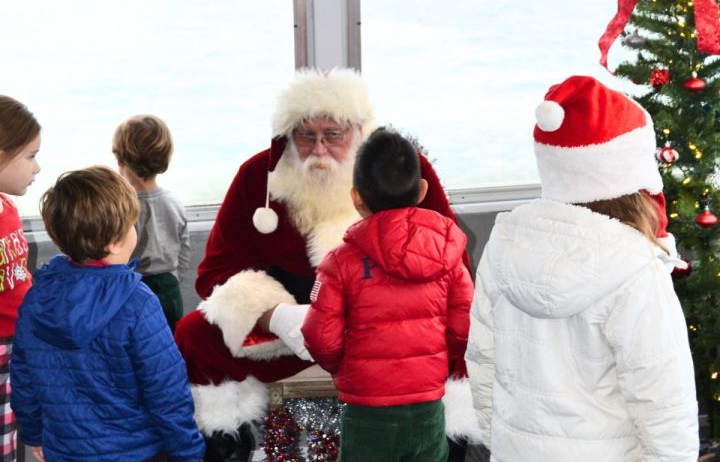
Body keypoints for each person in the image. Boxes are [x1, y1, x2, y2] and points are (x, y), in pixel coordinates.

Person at [174, 68, 480, 461]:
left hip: (390, 322)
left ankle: (452, 441)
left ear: (358, 131)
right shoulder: (259, 177)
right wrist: (275, 315)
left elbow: (452, 261)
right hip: (283, 327)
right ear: (288, 135)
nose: (319, 150)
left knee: (465, 334)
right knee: (194, 334)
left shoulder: (398, 166)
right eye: (306, 136)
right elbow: (214, 273)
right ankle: (227, 442)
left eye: (333, 135)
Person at [465, 75, 699, 461]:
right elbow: (662, 401)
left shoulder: (506, 244)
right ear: (634, 174)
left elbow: (483, 360)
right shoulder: (636, 268)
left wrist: (504, 441)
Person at [301, 128, 474, 462]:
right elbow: (464, 328)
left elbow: (319, 337)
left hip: (367, 409)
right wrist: (434, 359)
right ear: (422, 189)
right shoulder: (448, 257)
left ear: (356, 198)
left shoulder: (339, 263)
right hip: (427, 405)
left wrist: (346, 367)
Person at [10, 166, 205, 462]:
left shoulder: (38, 297)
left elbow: (24, 376)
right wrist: (188, 451)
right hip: (137, 452)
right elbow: (166, 389)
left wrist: (35, 433)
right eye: (132, 224)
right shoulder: (138, 302)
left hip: (65, 450)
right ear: (114, 242)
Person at [112, 114, 190, 332]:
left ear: (121, 161)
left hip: (134, 288)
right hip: (170, 290)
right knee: (169, 344)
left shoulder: (123, 207)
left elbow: (115, 254)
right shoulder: (174, 201)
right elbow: (184, 248)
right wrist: (173, 278)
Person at [0, 96, 41, 462]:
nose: (38, 167)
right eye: (29, 156)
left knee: (12, 438)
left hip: (19, 345)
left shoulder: (8, 205)